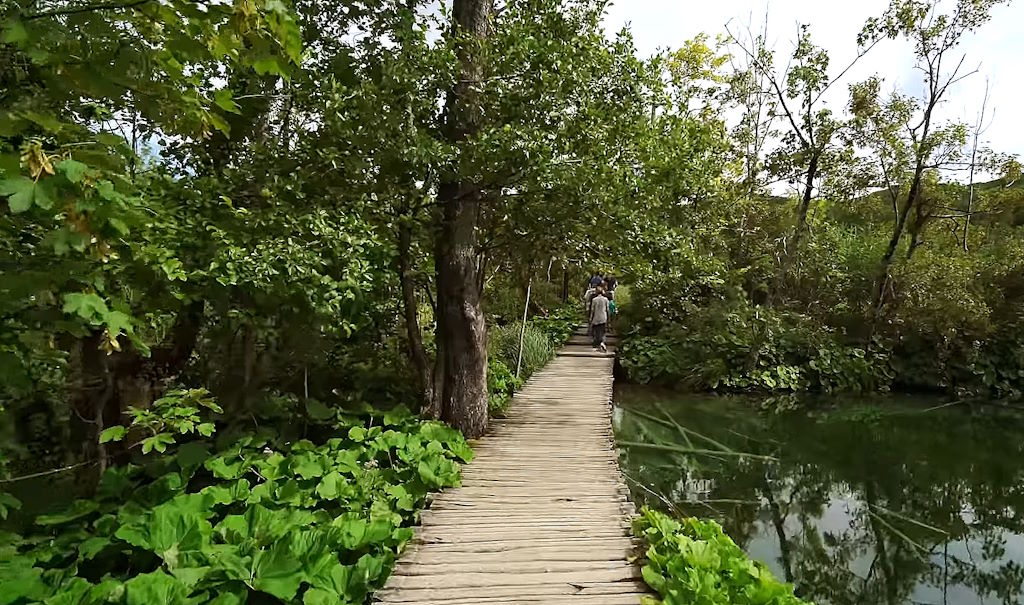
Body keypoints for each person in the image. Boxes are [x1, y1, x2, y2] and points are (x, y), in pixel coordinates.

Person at [589, 286, 610, 352]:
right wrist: (609, 318)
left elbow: (592, 310)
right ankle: (602, 342)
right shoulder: (606, 299)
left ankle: (597, 344)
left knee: (596, 331)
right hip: (603, 317)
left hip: (596, 317)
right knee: (603, 331)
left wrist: (590, 318)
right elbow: (607, 309)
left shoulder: (594, 300)